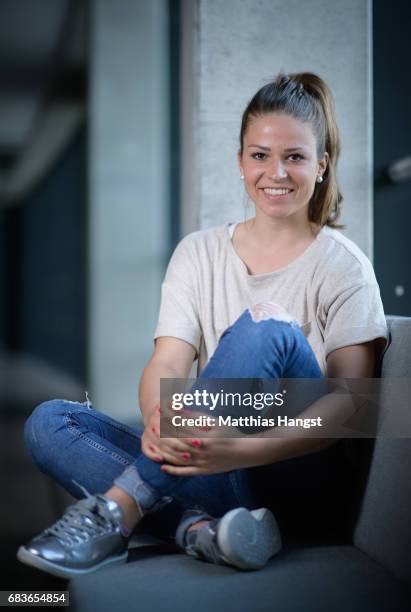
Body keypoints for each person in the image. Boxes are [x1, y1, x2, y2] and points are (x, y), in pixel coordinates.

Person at [17, 72, 388, 579]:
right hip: (209, 463)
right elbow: (167, 361)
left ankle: (118, 514)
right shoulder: (199, 252)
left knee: (266, 327)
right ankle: (204, 532)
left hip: (295, 480)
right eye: (259, 155)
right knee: (50, 423)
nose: (275, 171)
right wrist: (159, 418)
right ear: (240, 161)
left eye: (295, 157)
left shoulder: (343, 264)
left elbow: (353, 405)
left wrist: (240, 450)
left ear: (321, 166)